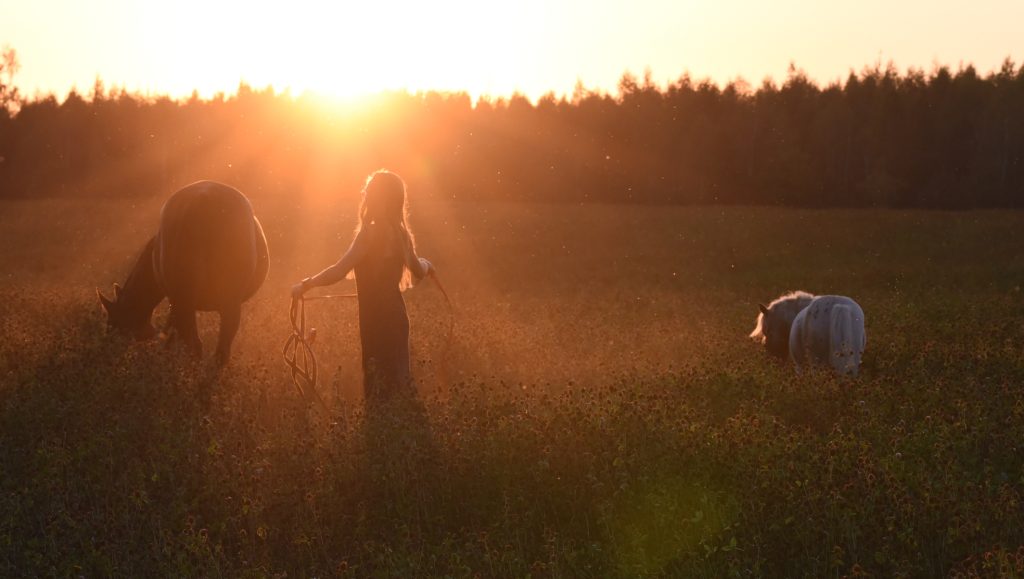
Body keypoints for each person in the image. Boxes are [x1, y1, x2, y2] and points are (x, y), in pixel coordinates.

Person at [292, 170, 433, 400]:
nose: (365, 195)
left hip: (375, 319)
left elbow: (338, 271)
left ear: (376, 198)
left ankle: (381, 430)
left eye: (368, 192)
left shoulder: (369, 234)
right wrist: (428, 264)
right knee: (398, 381)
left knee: (378, 384)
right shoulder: (400, 234)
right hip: (395, 317)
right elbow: (418, 269)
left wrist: (306, 285)